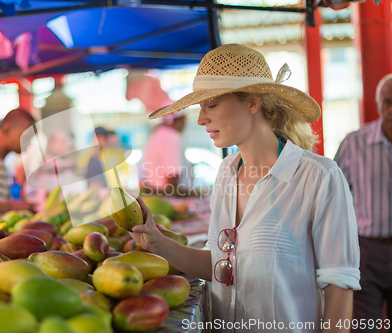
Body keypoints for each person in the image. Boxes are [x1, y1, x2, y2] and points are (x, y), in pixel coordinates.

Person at [130, 44, 360, 332]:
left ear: (253, 103)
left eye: (211, 105)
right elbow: (221, 266)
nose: (201, 118)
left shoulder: (318, 177)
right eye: (200, 107)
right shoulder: (227, 172)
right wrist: (158, 243)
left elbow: (339, 286)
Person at [334, 73, 392, 331]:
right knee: (363, 326)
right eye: (387, 102)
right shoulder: (354, 144)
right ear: (378, 105)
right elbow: (334, 199)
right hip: (366, 252)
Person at [142, 113, 187, 193]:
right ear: (182, 119)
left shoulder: (156, 134)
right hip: (169, 196)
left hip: (156, 194)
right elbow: (172, 174)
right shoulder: (172, 136)